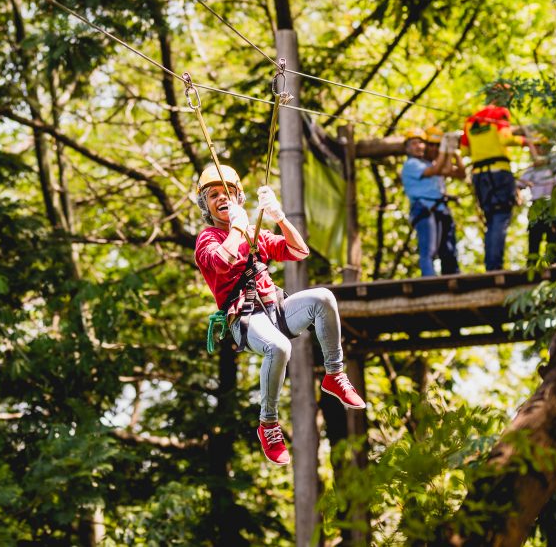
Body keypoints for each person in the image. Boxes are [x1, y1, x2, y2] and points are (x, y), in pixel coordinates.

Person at [193, 164, 366, 466]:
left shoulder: (254, 233)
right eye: (214, 195)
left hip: (276, 307)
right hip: (246, 317)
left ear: (238, 197)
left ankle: (335, 374)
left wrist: (279, 217)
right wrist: (236, 228)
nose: (222, 198)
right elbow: (220, 263)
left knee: (323, 297)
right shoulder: (208, 238)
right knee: (279, 347)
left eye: (228, 193)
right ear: (206, 206)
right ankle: (268, 424)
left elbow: (299, 252)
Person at [460, 103, 537, 271]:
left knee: (491, 220)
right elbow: (505, 138)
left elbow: (464, 151)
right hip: (499, 173)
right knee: (501, 217)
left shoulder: (471, 121)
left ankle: (491, 265)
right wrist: (525, 140)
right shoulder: (498, 114)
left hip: (480, 175)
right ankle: (495, 266)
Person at [400, 128, 460, 276]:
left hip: (436, 208)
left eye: (421, 143)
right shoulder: (411, 164)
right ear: (407, 148)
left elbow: (447, 169)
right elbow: (436, 169)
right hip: (423, 209)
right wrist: (444, 148)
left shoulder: (426, 164)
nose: (419, 146)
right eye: (414, 144)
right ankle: (429, 279)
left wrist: (451, 152)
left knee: (445, 248)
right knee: (428, 249)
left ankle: (447, 274)